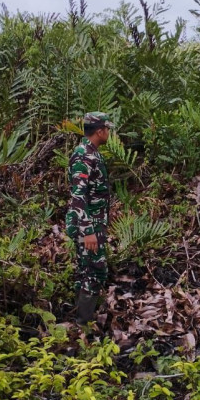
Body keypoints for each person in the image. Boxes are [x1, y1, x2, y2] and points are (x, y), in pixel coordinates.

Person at [66, 112, 114, 324]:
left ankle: (80, 321)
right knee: (96, 271)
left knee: (86, 270)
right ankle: (82, 324)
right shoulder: (84, 156)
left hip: (93, 222)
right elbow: (78, 196)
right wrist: (88, 231)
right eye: (107, 129)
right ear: (100, 131)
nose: (109, 133)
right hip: (88, 224)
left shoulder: (91, 152)